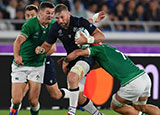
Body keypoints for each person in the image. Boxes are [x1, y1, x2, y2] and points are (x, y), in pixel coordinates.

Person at [10, 2, 105, 115]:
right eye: (28, 15)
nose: (51, 16)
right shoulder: (33, 25)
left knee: (53, 93)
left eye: (52, 13)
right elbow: (20, 41)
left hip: (44, 62)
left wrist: (92, 21)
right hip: (25, 63)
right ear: (40, 14)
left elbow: (78, 24)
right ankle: (82, 104)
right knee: (18, 98)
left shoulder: (55, 24)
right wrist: (19, 55)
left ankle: (73, 105)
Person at [62, 43, 160, 115]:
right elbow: (98, 65)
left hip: (133, 82)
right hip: (144, 77)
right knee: (140, 107)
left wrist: (66, 62)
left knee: (115, 106)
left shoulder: (97, 49)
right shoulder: (108, 49)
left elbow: (77, 52)